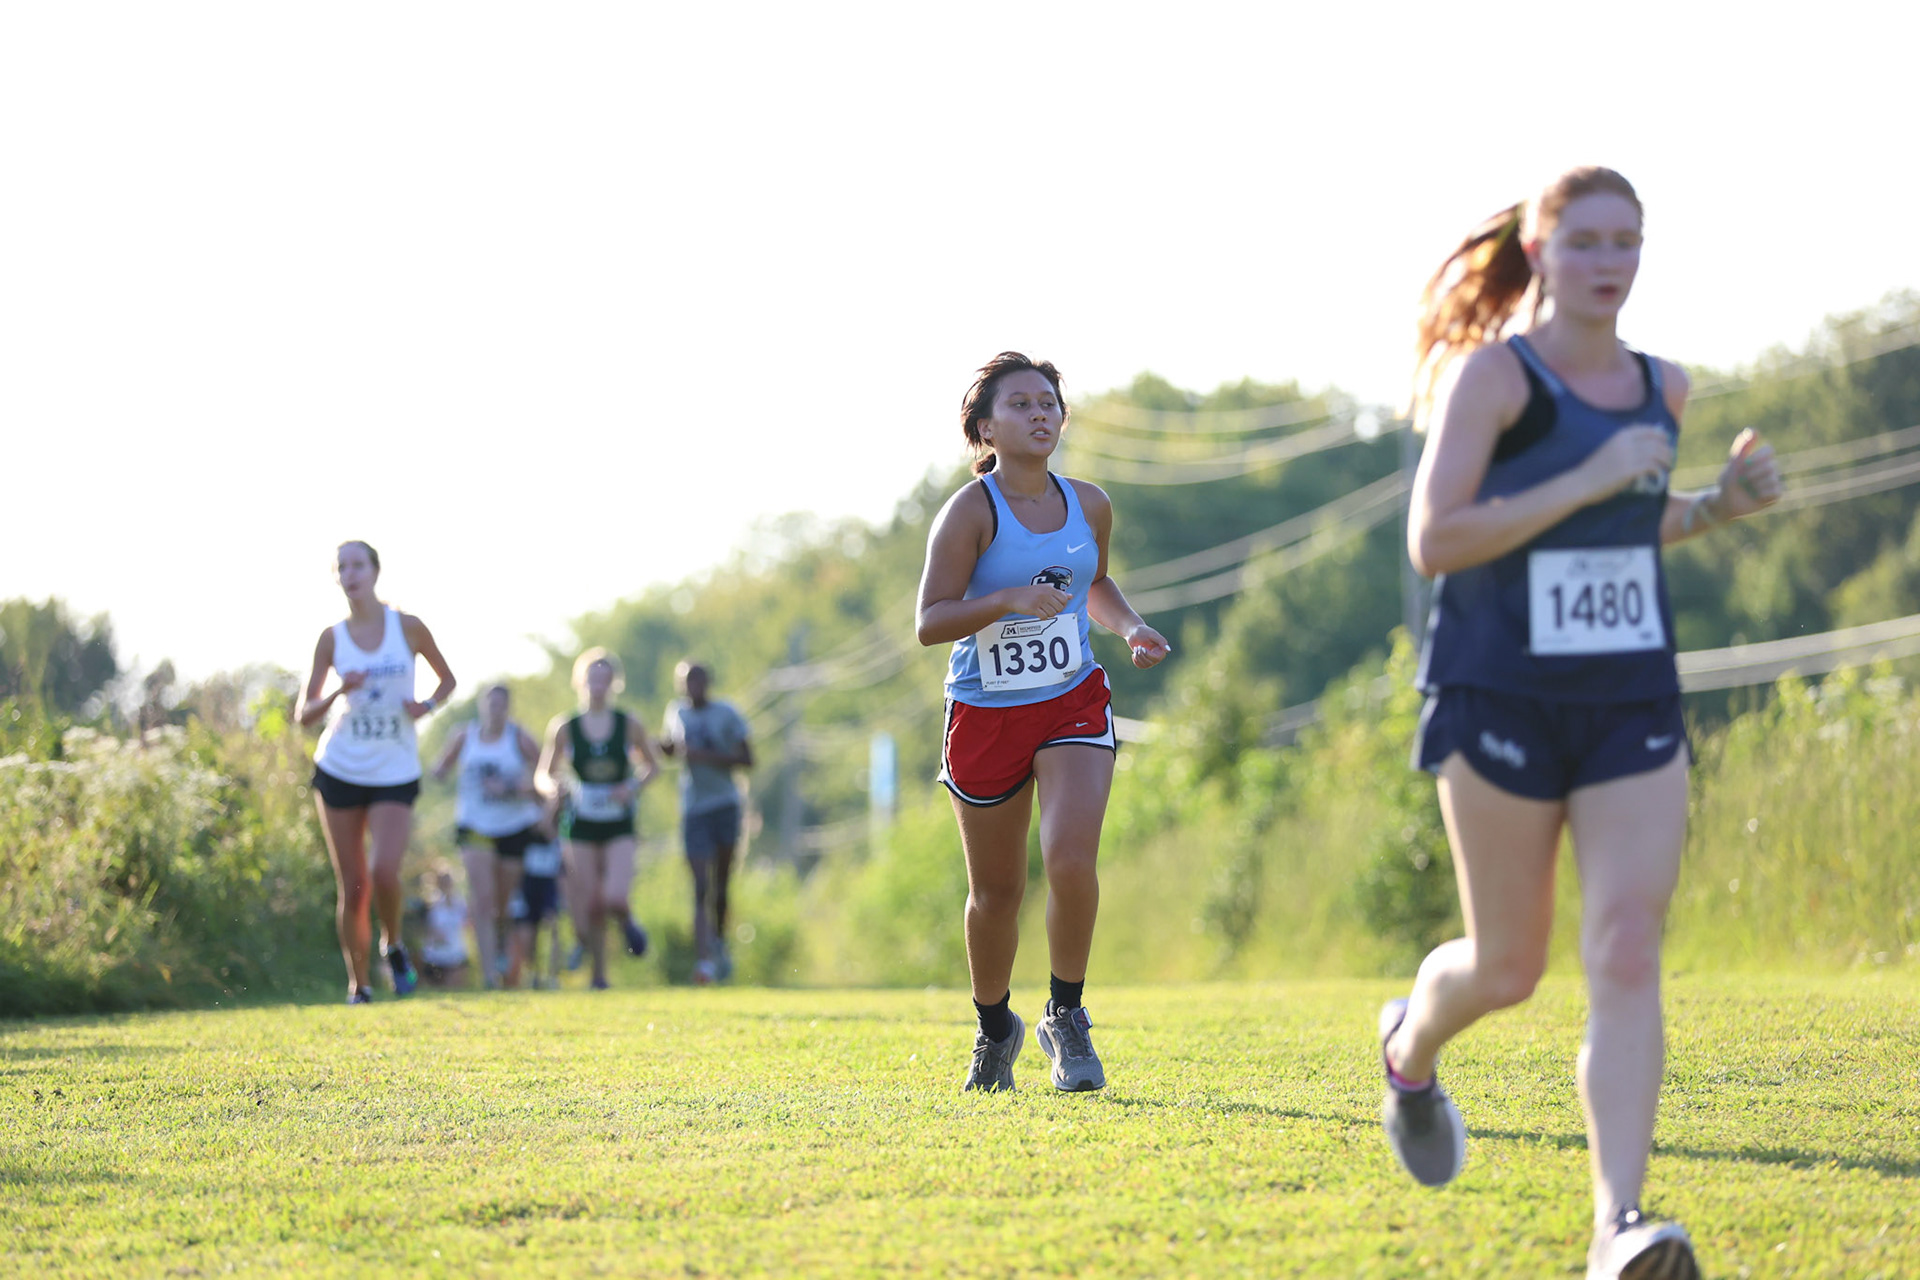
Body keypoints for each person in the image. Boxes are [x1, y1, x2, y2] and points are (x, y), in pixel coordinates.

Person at [1386, 167, 1782, 1280]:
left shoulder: (1666, 386)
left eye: (1629, 241)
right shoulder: (1493, 380)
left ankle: (1619, 1224)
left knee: (1623, 946)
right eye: (1588, 241)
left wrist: (1716, 508)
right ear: (1543, 251)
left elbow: (1626, 530)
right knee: (1508, 964)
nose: (1611, 261)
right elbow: (1439, 538)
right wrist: (1594, 471)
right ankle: (1410, 1049)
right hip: (1495, 693)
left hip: (1627, 699)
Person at [915, 352, 1171, 1093]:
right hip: (985, 712)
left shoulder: (1089, 503)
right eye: (1021, 404)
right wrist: (1005, 601)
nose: (1040, 414)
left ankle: (1067, 1014)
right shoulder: (970, 512)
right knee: (996, 894)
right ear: (986, 427)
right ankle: (996, 1028)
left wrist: (1130, 628)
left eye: (1049, 403)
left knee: (1069, 860)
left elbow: (1096, 581)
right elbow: (930, 621)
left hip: (1072, 699)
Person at [298, 540, 456, 1004]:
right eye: (342, 567)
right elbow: (303, 713)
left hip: (394, 767)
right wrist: (337, 692)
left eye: (358, 565)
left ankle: (394, 943)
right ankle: (359, 984)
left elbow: (447, 680)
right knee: (353, 884)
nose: (350, 574)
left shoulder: (407, 628)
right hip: (341, 766)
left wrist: (425, 705)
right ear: (337, 578)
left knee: (384, 872)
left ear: (375, 571)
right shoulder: (332, 638)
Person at [537, 647, 661, 989]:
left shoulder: (629, 724)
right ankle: (599, 976)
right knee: (591, 902)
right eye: (593, 679)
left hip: (618, 823)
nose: (598, 686)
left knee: (614, 897)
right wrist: (553, 789)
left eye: (605, 680)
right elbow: (543, 773)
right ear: (581, 682)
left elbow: (654, 767)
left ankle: (628, 922)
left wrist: (632, 787)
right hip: (580, 824)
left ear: (614, 684)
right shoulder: (565, 727)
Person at [433, 683, 545, 987]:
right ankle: (488, 976)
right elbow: (440, 768)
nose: (494, 710)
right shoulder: (464, 736)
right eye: (490, 704)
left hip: (514, 826)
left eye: (500, 705)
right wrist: (438, 771)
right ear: (482, 706)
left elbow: (546, 779)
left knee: (501, 903)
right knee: (482, 899)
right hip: (474, 825)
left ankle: (500, 940)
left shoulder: (519, 739)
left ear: (507, 708)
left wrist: (513, 787)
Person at [659, 661, 754, 984]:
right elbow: (674, 749)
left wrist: (706, 756)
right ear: (680, 685)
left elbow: (747, 759)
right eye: (687, 681)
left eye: (698, 680)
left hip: (725, 805)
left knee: (721, 885)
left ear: (707, 682)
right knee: (699, 884)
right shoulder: (676, 713)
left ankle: (721, 943)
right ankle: (704, 961)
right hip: (694, 809)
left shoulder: (727, 714)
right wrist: (664, 749)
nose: (693, 687)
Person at [416, 863, 471, 989]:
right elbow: (424, 928)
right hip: (434, 955)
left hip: (456, 953)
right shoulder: (430, 904)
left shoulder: (460, 903)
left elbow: (467, 923)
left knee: (455, 989)